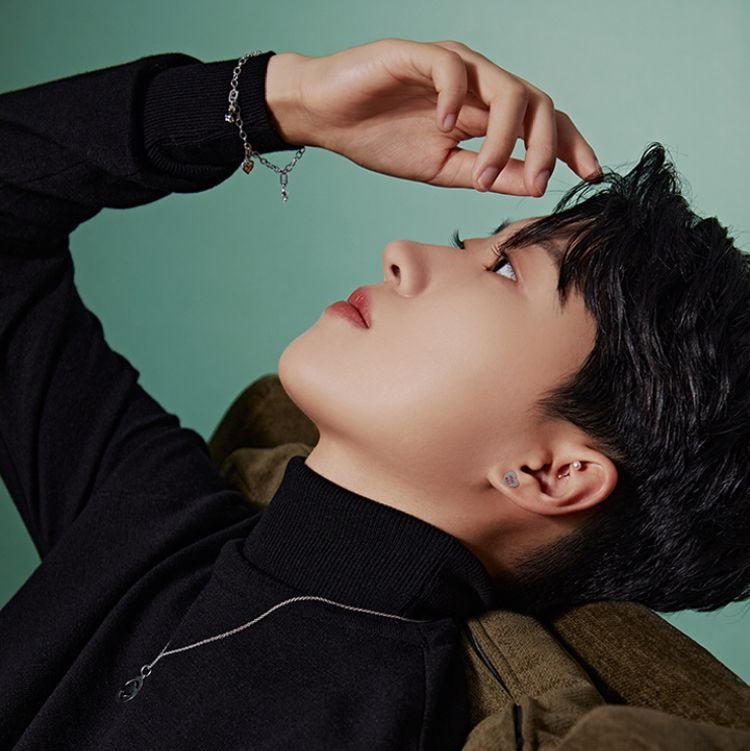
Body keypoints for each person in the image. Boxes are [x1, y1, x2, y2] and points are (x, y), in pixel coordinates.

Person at [0, 36, 746, 750]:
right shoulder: (150, 512)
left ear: (554, 472)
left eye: (503, 271)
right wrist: (287, 101)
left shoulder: (390, 722)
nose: (400, 254)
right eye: (467, 245)